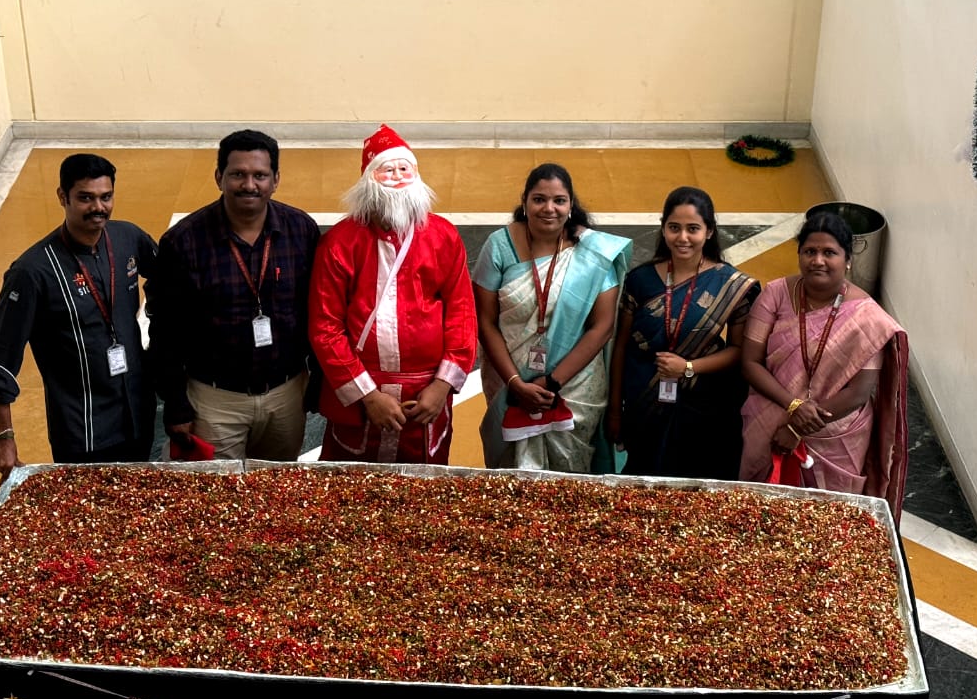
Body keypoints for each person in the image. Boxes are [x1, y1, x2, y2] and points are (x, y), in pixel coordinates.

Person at [0, 153, 157, 479]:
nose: (98, 207)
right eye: (85, 198)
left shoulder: (128, 239)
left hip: (139, 414)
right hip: (83, 432)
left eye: (106, 197)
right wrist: (3, 435)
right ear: (63, 197)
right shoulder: (32, 272)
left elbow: (168, 280)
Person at [146, 129, 320, 460]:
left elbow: (316, 311)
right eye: (238, 174)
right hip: (215, 402)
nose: (249, 185)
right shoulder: (183, 242)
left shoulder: (301, 231)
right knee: (217, 490)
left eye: (260, 175)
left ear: (276, 179)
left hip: (286, 395)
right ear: (219, 177)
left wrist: (319, 378)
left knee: (276, 484)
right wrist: (175, 402)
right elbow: (166, 330)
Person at [308, 124, 477, 464]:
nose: (397, 178)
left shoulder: (443, 237)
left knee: (423, 485)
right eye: (388, 170)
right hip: (361, 397)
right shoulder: (339, 243)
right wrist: (368, 396)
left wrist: (442, 386)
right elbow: (325, 327)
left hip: (426, 397)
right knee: (350, 486)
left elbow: (461, 314)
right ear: (369, 180)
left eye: (404, 169)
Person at [738, 212, 909, 519]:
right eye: (810, 251)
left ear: (848, 260)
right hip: (770, 420)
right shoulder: (776, 294)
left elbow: (858, 393)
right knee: (762, 517)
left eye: (829, 252)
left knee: (829, 523)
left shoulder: (867, 317)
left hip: (837, 434)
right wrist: (794, 407)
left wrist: (796, 427)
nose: (818, 260)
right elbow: (750, 362)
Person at [474, 163, 631, 474]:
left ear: (571, 205)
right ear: (525, 202)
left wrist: (553, 381)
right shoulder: (500, 245)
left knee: (570, 481)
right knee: (512, 476)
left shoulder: (592, 253)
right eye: (539, 199)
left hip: (575, 387)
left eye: (559, 200)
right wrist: (516, 384)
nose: (549, 209)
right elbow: (485, 320)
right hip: (510, 380)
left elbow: (602, 327)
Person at [606, 187, 759, 478]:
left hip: (704, 407)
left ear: (709, 231)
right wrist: (614, 410)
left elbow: (739, 351)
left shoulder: (730, 285)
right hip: (644, 402)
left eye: (693, 229)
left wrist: (688, 367)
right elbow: (621, 347)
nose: (683, 237)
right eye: (674, 228)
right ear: (663, 228)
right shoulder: (640, 280)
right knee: (643, 483)